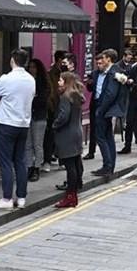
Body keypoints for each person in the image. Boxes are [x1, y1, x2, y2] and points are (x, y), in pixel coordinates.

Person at [0, 49, 36, 210]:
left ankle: (7, 198)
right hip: (23, 125)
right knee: (20, 161)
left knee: (5, 162)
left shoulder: (6, 79)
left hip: (7, 123)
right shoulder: (31, 80)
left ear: (12, 60)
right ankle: (21, 197)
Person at [53, 72, 86, 208]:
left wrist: (54, 124)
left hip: (67, 135)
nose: (58, 82)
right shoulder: (76, 95)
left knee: (70, 166)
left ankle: (70, 196)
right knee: (75, 163)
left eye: (60, 80)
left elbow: (64, 116)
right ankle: (73, 193)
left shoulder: (65, 97)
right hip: (76, 132)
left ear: (66, 81)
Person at [91, 49, 125, 176]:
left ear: (108, 59)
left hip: (105, 108)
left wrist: (101, 110)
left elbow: (110, 94)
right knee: (108, 137)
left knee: (101, 137)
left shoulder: (113, 72)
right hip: (102, 106)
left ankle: (108, 166)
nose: (102, 60)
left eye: (104, 58)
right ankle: (109, 166)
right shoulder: (107, 71)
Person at [26, 58, 51, 182]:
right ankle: (29, 167)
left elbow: (42, 101)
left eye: (34, 67)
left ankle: (37, 167)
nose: (31, 69)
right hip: (26, 116)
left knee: (37, 144)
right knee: (28, 144)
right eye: (30, 67)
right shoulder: (25, 81)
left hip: (39, 116)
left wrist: (31, 99)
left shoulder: (43, 83)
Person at [43, 50, 67, 172]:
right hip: (55, 107)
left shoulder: (66, 73)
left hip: (63, 107)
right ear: (59, 60)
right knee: (50, 135)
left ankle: (61, 160)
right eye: (64, 60)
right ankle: (47, 159)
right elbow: (51, 91)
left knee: (60, 135)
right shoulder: (52, 73)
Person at [83, 56, 105, 160]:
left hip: (105, 104)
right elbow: (89, 89)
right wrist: (89, 83)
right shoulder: (94, 74)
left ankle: (105, 151)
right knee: (93, 128)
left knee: (104, 129)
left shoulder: (109, 74)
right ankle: (91, 151)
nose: (99, 65)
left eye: (101, 63)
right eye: (98, 64)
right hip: (95, 103)